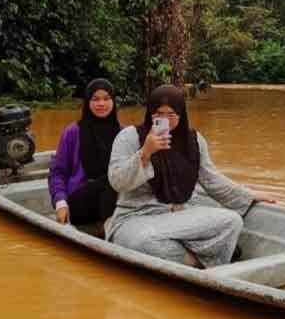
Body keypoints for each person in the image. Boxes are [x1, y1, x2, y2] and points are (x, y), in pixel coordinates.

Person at [106, 84, 270, 267]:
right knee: (142, 242)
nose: (165, 119)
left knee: (232, 221)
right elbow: (117, 182)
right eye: (158, 113)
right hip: (135, 218)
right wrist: (145, 153)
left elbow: (211, 179)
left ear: (181, 112)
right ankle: (197, 260)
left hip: (178, 215)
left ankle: (182, 255)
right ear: (150, 111)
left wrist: (248, 195)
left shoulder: (194, 141)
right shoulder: (129, 137)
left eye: (171, 114)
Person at [48, 78, 122, 226]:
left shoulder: (124, 133)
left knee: (119, 180)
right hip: (80, 201)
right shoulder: (73, 132)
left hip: (115, 201)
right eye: (95, 99)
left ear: (113, 102)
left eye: (106, 98)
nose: (101, 104)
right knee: (111, 180)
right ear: (88, 102)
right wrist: (60, 201)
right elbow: (57, 172)